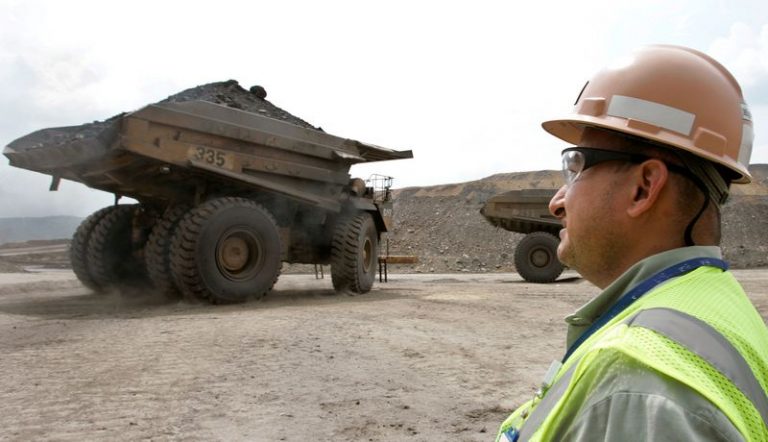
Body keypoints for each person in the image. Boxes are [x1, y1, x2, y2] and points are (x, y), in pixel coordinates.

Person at [496, 45, 768, 441]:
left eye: (576, 167)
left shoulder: (636, 383)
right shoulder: (719, 305)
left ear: (643, 188)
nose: (556, 202)